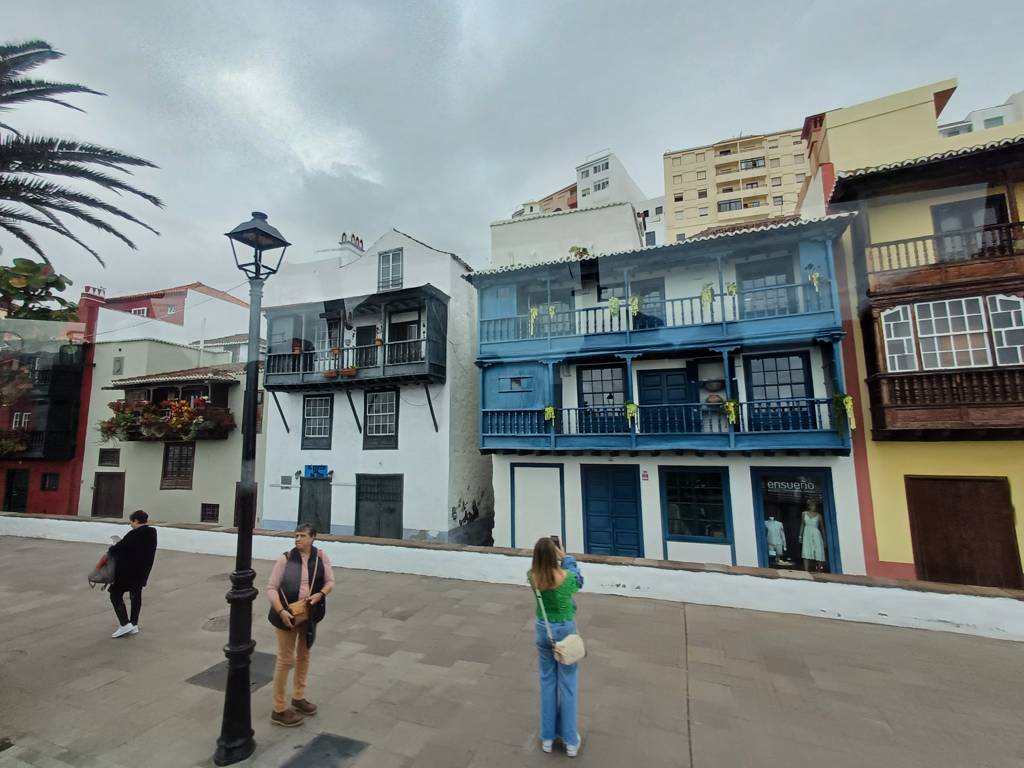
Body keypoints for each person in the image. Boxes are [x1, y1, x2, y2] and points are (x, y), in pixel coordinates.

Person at [266, 523, 335, 727]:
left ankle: (298, 697)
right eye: (296, 535)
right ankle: (279, 709)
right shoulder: (286, 559)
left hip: (309, 614)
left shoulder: (321, 557)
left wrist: (320, 594)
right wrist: (281, 611)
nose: (298, 539)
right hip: (286, 615)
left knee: (304, 655)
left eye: (302, 536)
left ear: (313, 537)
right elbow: (271, 588)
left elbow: (330, 582)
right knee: (285, 660)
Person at [528, 536, 583, 757]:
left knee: (547, 682)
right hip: (565, 630)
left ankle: (548, 738)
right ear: (554, 555)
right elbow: (579, 580)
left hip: (544, 630)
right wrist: (566, 557)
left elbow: (543, 574)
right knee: (567, 685)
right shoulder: (567, 578)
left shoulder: (532, 577)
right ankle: (570, 740)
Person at [104, 509, 158, 638]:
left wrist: (113, 547)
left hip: (127, 572)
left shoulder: (133, 535)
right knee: (136, 595)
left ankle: (124, 624)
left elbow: (117, 549)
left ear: (136, 521)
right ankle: (134, 624)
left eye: (131, 522)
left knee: (115, 594)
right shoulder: (152, 533)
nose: (131, 524)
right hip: (142, 571)